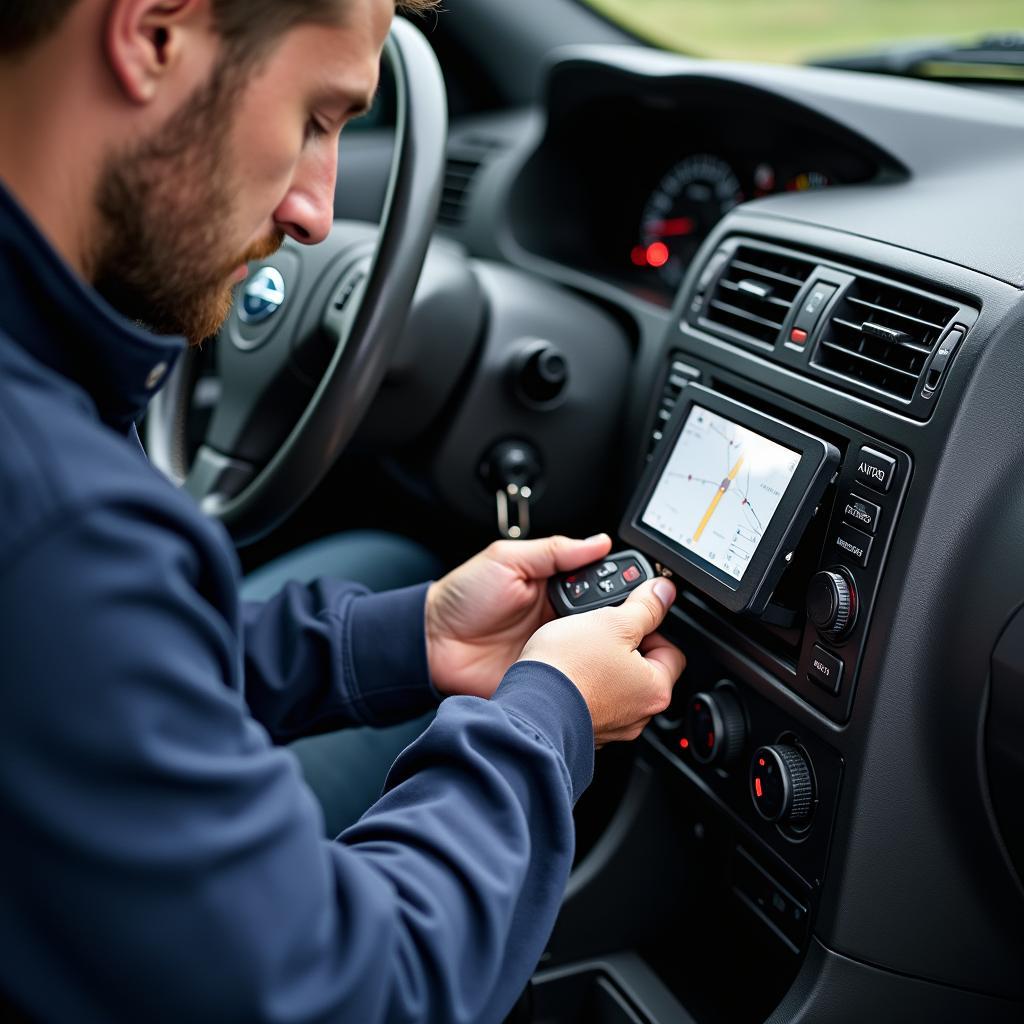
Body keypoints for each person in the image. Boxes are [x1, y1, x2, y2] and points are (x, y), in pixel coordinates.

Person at [0, 0, 686, 1020]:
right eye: (320, 117)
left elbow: (84, 665)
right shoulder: (58, 523)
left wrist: (402, 639)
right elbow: (362, 993)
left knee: (379, 560)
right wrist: (546, 721)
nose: (317, 212)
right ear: (151, 32)